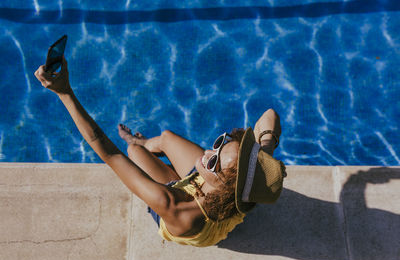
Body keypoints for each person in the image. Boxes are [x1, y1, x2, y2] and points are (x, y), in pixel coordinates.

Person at [34, 57, 286, 247]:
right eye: (220, 143)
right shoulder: (252, 183)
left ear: (224, 187)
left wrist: (65, 92)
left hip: (185, 199)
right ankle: (148, 144)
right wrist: (263, 149)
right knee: (166, 138)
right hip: (208, 191)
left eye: (214, 163)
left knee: (132, 151)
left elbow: (108, 152)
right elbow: (270, 115)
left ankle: (140, 145)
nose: (209, 152)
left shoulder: (175, 207)